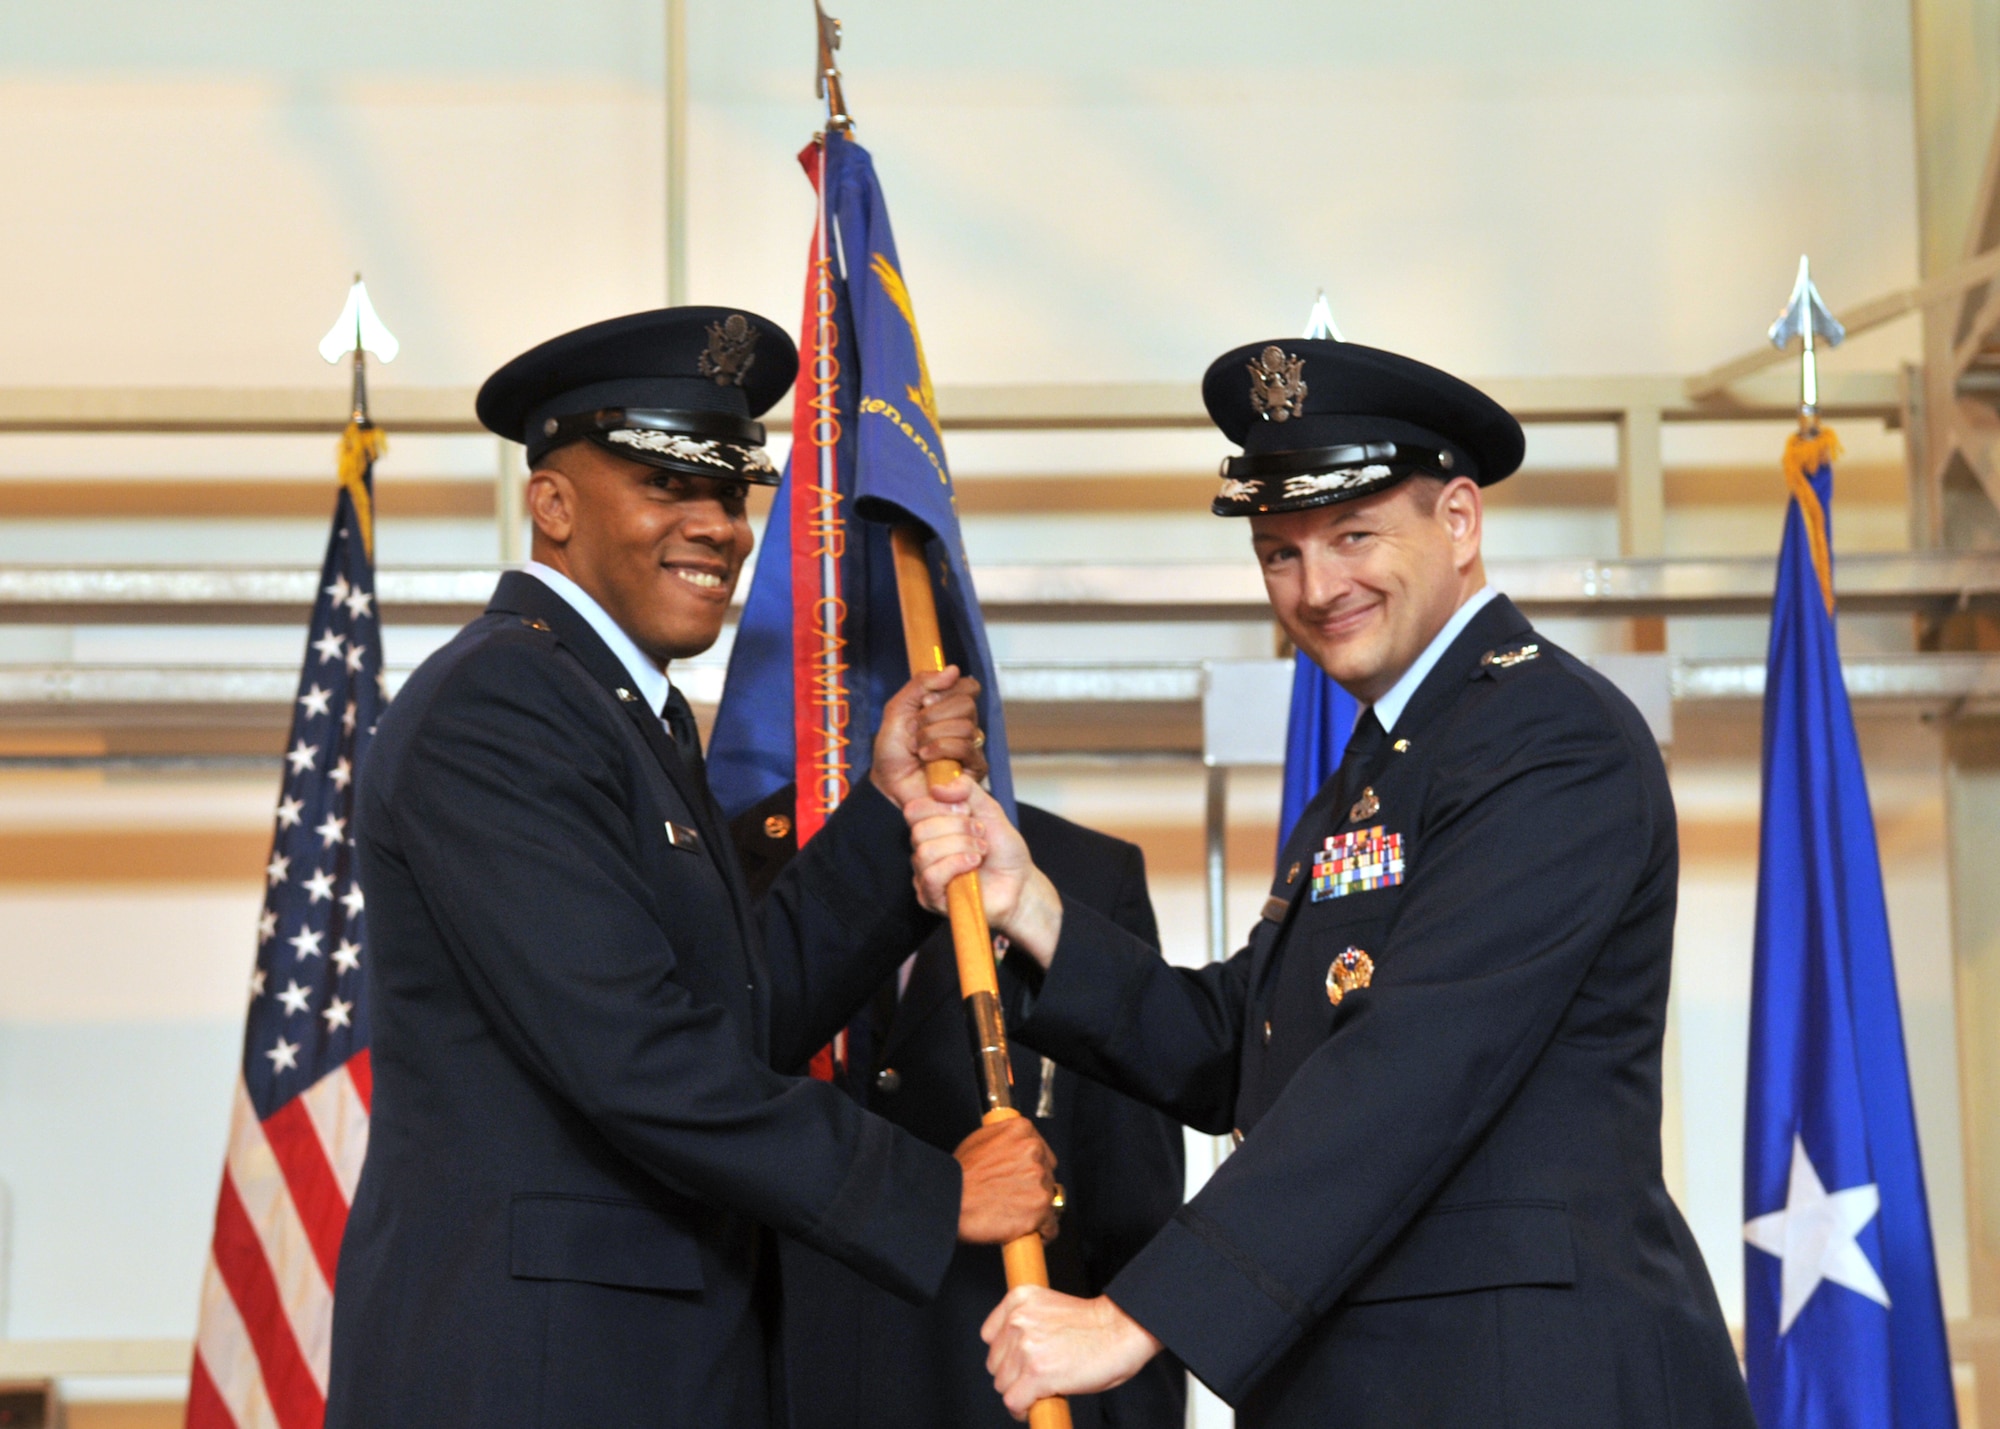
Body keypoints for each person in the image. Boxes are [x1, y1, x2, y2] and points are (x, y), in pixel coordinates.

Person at [906, 339, 1757, 1428]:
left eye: (1353, 535)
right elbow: (1250, 1041)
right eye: (1278, 553)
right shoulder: (1390, 756)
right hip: (1382, 1371)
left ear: (1458, 520)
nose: (1314, 589)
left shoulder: (1549, 737)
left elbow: (1413, 1062)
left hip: (1515, 1376)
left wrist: (1137, 1316)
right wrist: (1028, 903)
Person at [326, 308, 1057, 1429]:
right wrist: (933, 1191)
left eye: (731, 490)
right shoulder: (500, 706)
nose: (718, 525)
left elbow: (728, 1009)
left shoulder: (617, 709)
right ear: (553, 503)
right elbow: (637, 1055)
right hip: (534, 1378)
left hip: (633, 1364)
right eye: (667, 485)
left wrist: (888, 812)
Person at [731, 787, 1188, 1429]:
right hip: (775, 1388)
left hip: (994, 1391)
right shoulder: (722, 854)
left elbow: (1132, 1219)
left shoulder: (1081, 872)